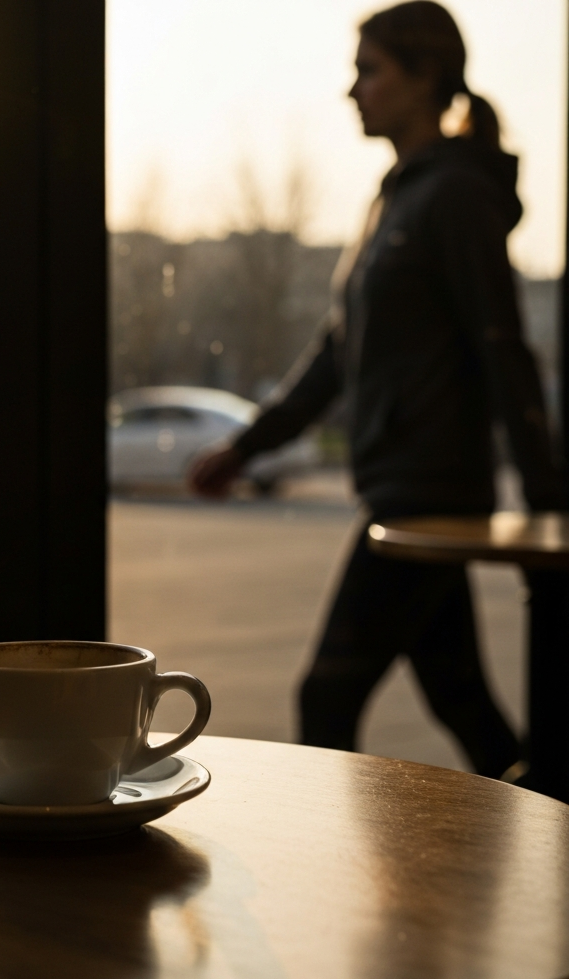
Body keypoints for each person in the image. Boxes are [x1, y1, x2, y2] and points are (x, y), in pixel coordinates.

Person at [189, 0, 564, 779]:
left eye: (369, 71)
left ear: (424, 78)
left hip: (426, 492)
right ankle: (546, 848)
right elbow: (336, 355)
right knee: (463, 703)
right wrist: (244, 447)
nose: (352, 90)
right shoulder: (397, 196)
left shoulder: (455, 195)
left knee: (326, 696)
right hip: (401, 486)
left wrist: (546, 499)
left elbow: (503, 345)